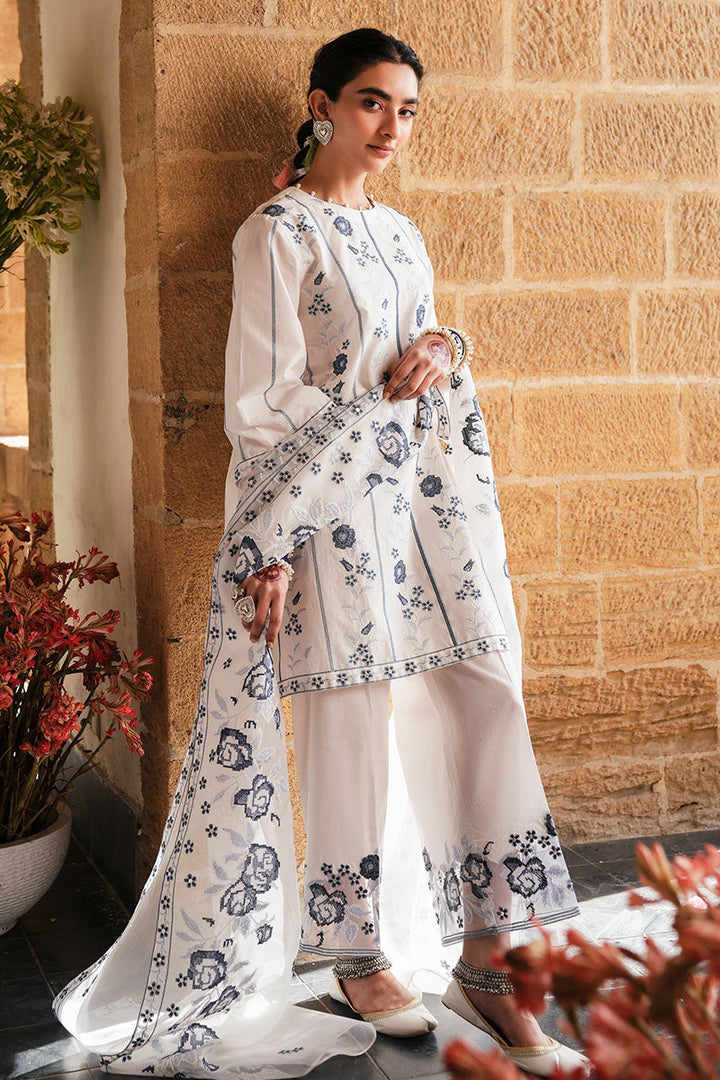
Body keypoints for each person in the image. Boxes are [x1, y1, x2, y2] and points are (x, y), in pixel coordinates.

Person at [54, 27, 588, 1079]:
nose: (391, 126)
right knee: (348, 711)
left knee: (486, 689)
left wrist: (448, 346)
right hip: (327, 513)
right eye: (372, 102)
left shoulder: (402, 233)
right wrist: (275, 541)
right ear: (323, 105)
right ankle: (354, 951)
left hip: (430, 509)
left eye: (407, 109)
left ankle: (488, 954)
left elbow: (421, 345)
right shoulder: (275, 232)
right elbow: (261, 402)